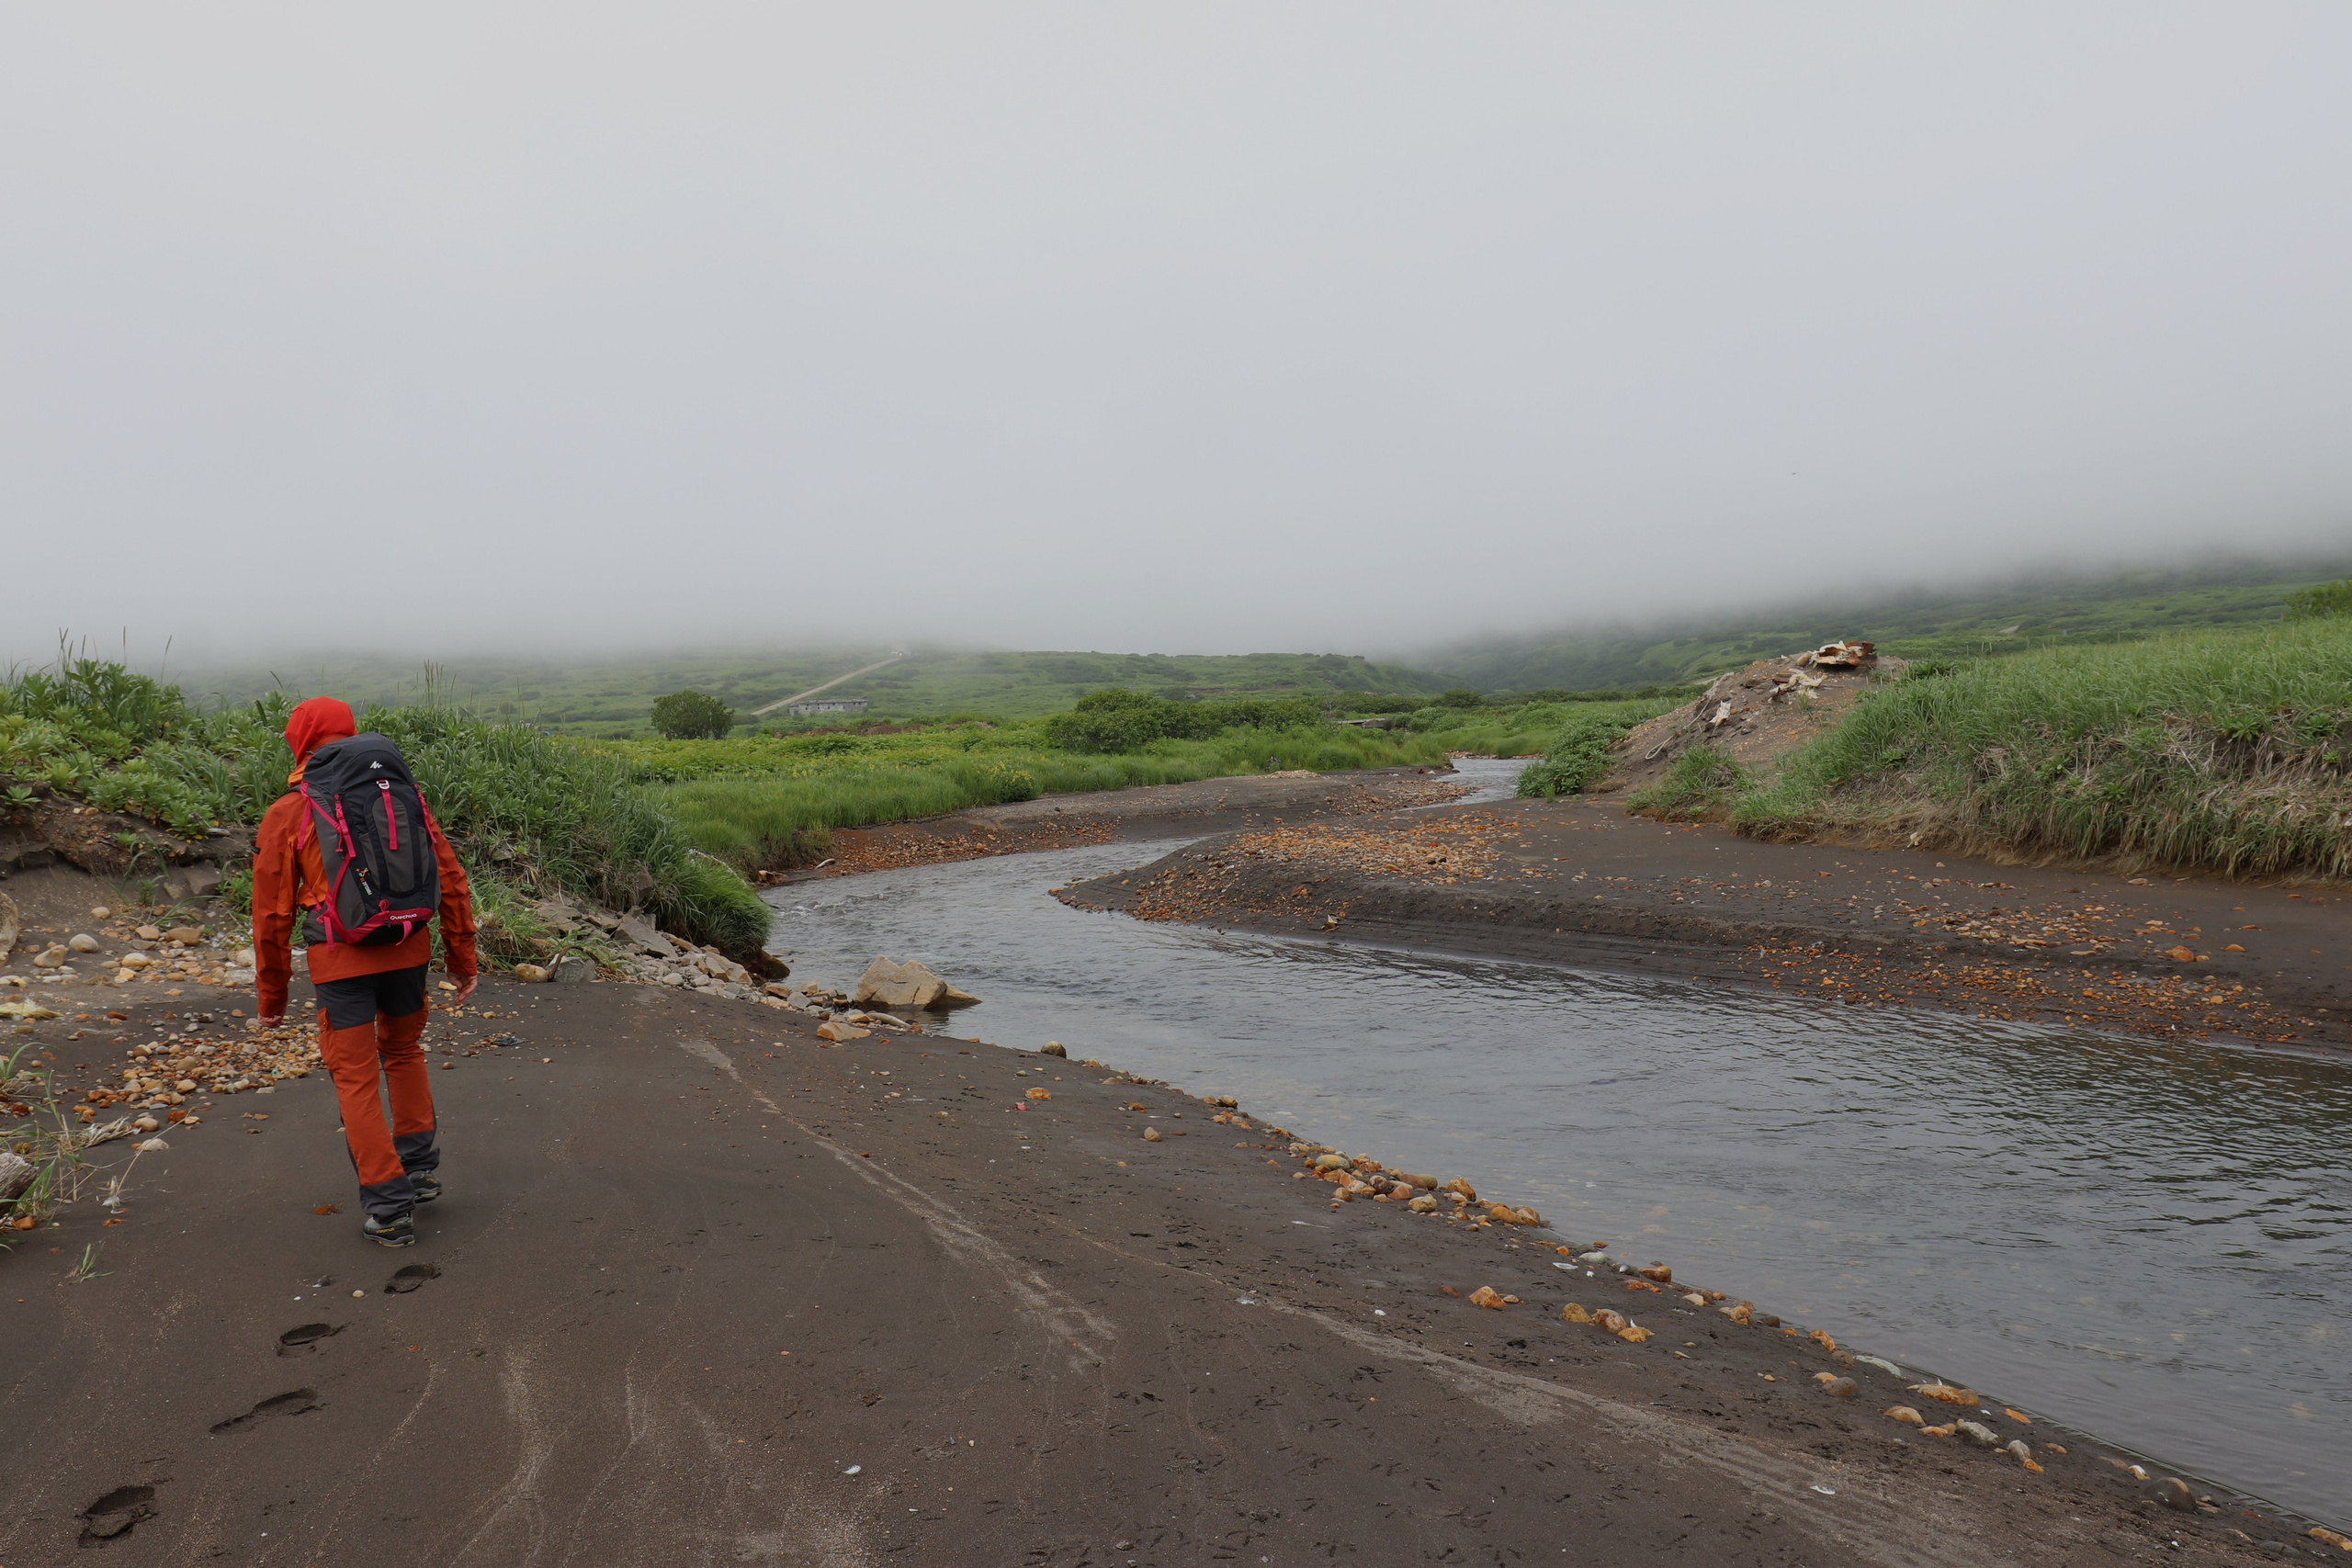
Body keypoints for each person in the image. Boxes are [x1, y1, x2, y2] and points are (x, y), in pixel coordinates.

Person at [251, 696, 477, 1247]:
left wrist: (272, 998)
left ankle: (388, 1207)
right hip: (408, 950)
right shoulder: (404, 795)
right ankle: (417, 1172)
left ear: (300, 742)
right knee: (402, 1052)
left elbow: (272, 913)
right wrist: (461, 958)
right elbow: (448, 876)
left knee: (355, 1076)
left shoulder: (291, 810)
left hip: (340, 961)